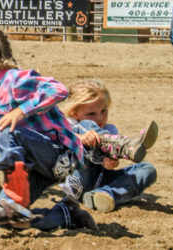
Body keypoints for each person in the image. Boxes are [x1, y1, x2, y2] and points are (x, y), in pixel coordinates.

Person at [0, 27, 97, 231]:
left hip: (59, 154)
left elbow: (58, 90)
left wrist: (21, 111)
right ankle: (65, 214)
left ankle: (16, 199)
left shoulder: (15, 79)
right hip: (35, 168)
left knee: (5, 129)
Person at [59, 79, 158, 213]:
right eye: (91, 113)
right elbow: (58, 137)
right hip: (77, 180)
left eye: (104, 111)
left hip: (100, 182)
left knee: (148, 169)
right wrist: (81, 138)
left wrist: (110, 163)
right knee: (86, 126)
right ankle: (126, 146)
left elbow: (109, 166)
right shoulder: (68, 125)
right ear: (74, 113)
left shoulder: (109, 130)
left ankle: (106, 195)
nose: (99, 118)